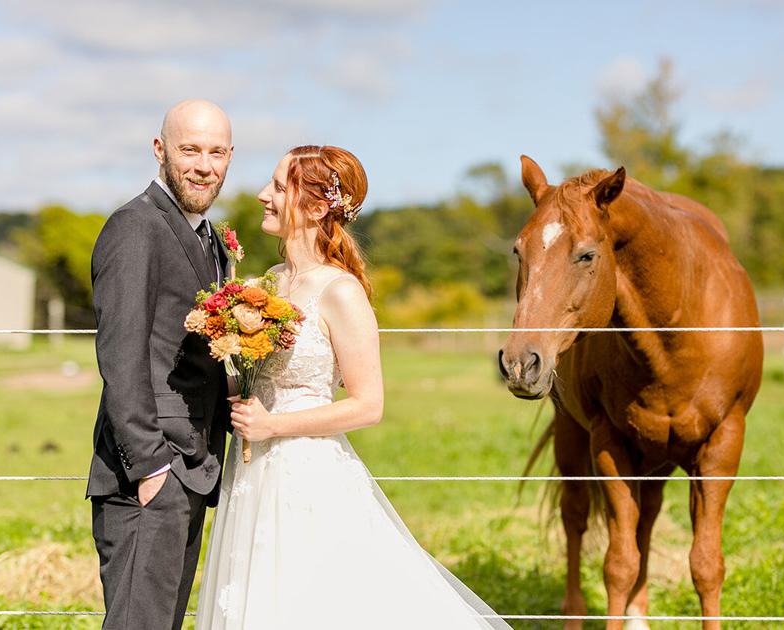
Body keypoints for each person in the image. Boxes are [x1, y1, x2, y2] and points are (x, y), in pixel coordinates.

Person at [194, 145, 510, 629]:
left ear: (317, 208)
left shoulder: (340, 291)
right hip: (253, 472)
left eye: (279, 187)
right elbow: (257, 374)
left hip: (305, 471)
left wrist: (272, 424)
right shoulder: (271, 282)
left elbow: (368, 405)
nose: (263, 195)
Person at [86, 99, 235, 630]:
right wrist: (149, 466)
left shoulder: (212, 239)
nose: (203, 164)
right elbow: (120, 355)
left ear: (230, 157)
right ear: (159, 150)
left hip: (195, 467)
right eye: (189, 149)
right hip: (150, 471)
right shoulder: (135, 227)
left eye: (216, 152)